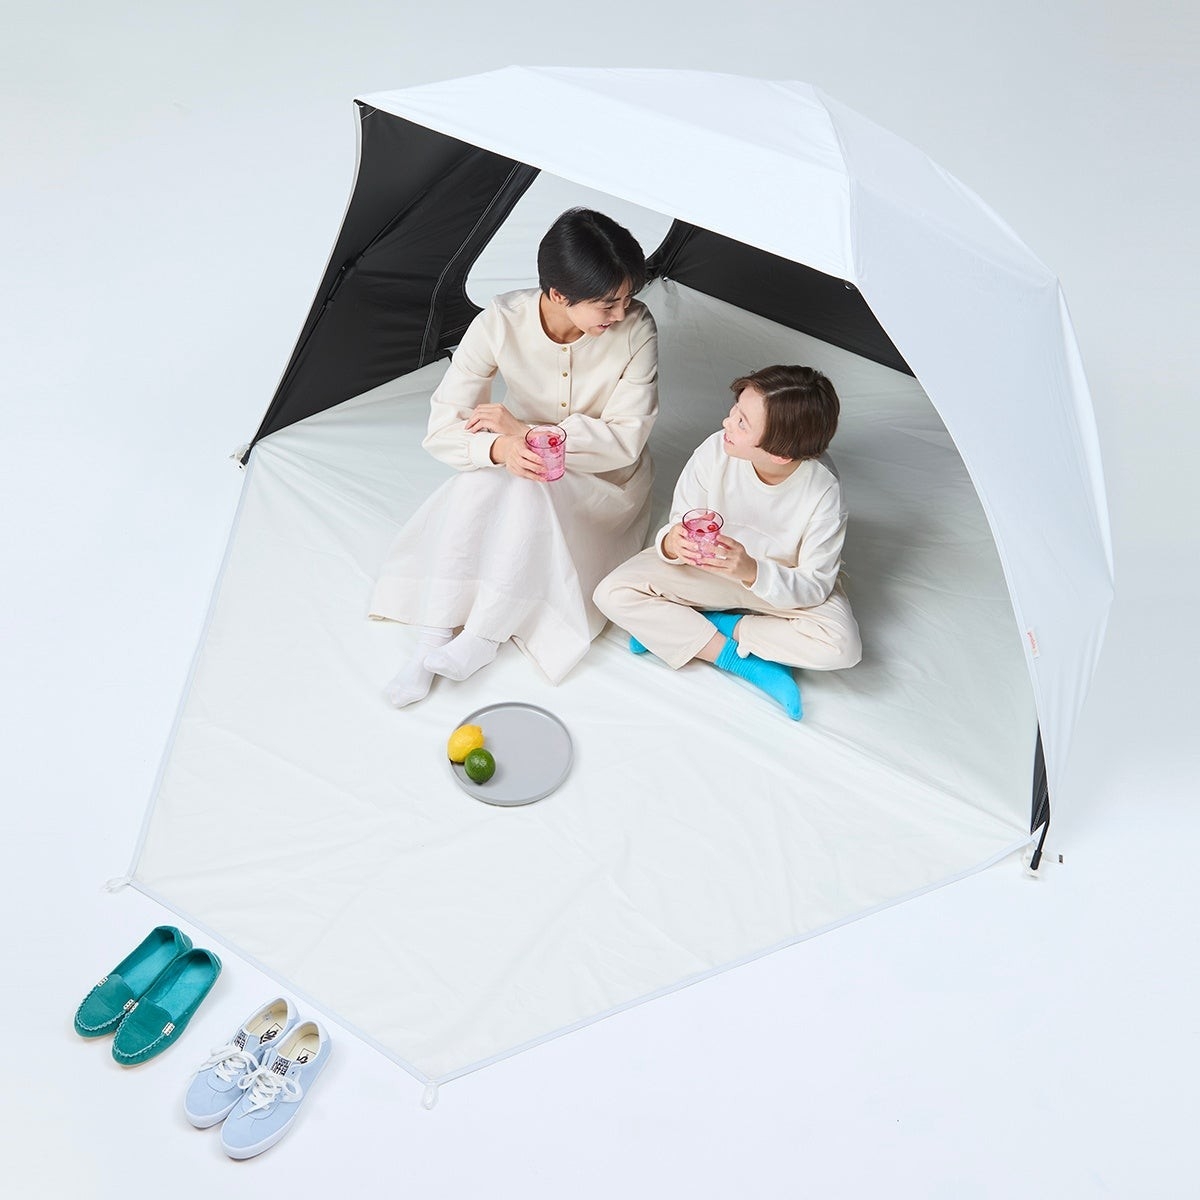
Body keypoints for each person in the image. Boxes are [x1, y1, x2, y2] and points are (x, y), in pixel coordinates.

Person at [370, 208, 658, 706]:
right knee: (479, 480)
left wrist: (526, 433)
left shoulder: (637, 329)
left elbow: (626, 438)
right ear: (558, 295)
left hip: (603, 477)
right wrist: (501, 448)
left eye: (627, 298)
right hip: (522, 458)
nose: (621, 313)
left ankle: (484, 634)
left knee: (530, 485)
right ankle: (432, 638)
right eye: (608, 303)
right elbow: (442, 426)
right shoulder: (500, 323)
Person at [593, 364, 861, 719]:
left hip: (777, 584)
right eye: (735, 411)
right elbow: (680, 522)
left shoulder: (823, 490)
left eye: (742, 423)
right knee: (611, 592)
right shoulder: (715, 450)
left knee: (842, 646)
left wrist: (752, 571)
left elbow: (815, 585)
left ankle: (711, 626)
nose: (726, 423)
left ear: (780, 454)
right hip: (707, 570)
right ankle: (736, 658)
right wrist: (672, 543)